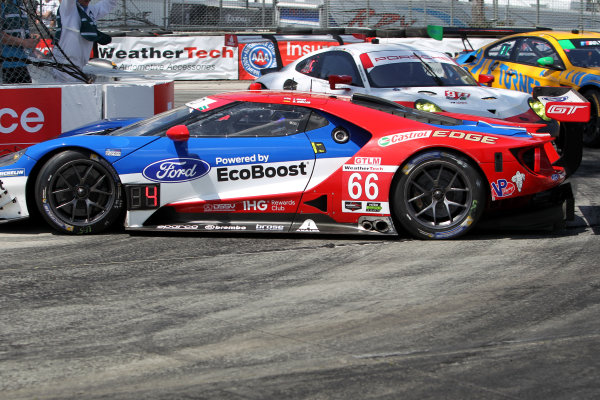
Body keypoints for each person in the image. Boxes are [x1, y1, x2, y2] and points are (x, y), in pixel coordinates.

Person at [52, 0, 116, 82]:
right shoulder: (69, 8)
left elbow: (109, 3)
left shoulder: (90, 11)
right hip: (64, 66)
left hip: (78, 68)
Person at [1, 0, 39, 83]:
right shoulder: (3, 3)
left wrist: (29, 39)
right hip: (6, 64)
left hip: (21, 62)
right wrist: (23, 42)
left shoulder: (19, 4)